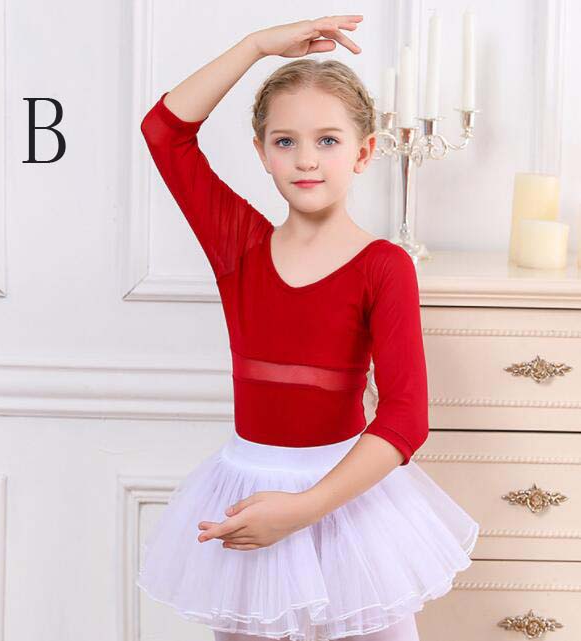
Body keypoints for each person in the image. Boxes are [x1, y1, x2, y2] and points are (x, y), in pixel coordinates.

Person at [135, 15, 479, 641]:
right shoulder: (239, 247)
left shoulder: (383, 266)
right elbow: (164, 131)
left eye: (327, 140)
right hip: (249, 493)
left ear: (364, 152)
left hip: (349, 501)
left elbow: (405, 418)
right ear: (261, 152)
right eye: (285, 141)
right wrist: (256, 46)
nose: (306, 160)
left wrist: (302, 510)